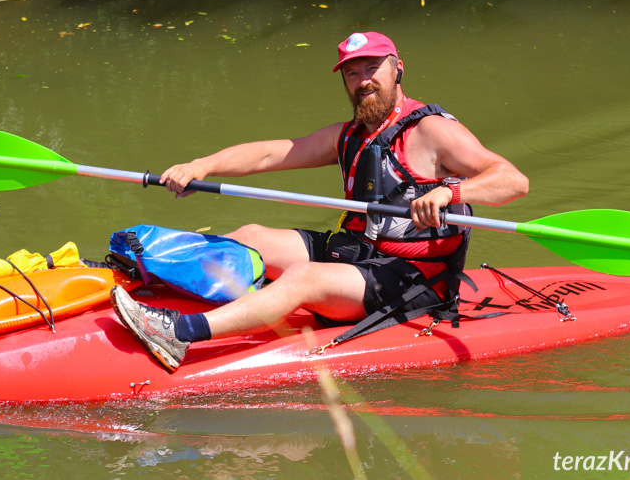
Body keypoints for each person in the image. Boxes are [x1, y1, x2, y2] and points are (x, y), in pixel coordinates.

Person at [110, 31, 529, 373]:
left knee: (303, 277)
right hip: (360, 254)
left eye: (372, 68)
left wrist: (450, 192)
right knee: (251, 235)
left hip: (413, 278)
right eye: (352, 73)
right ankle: (150, 278)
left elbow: (513, 181)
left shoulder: (433, 131)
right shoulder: (348, 135)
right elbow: (273, 153)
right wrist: (204, 164)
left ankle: (181, 333)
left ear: (397, 69)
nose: (363, 80)